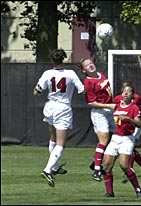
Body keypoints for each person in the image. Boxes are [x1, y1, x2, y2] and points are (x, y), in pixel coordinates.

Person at [34, 49, 85, 187]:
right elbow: (82, 90)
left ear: (52, 60)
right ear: (64, 59)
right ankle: (47, 169)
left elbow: (36, 92)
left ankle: (55, 167)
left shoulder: (47, 73)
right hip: (63, 109)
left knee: (53, 138)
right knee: (61, 143)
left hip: (49, 107)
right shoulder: (70, 73)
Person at [77, 57, 116, 182]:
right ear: (84, 70)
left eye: (91, 63)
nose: (90, 65)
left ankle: (95, 162)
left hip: (109, 111)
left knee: (112, 140)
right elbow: (91, 103)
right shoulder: (88, 82)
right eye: (87, 65)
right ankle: (97, 171)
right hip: (99, 113)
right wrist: (108, 105)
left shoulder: (101, 75)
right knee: (103, 141)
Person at [102, 84, 141, 198]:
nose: (125, 93)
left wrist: (128, 119)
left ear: (132, 95)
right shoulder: (116, 105)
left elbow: (139, 124)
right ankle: (110, 192)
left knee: (124, 165)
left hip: (126, 139)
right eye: (124, 91)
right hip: (115, 138)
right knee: (106, 166)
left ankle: (138, 189)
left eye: (129, 92)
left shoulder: (134, 107)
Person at [113, 81, 141, 177]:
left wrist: (137, 115)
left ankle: (130, 168)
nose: (125, 92)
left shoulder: (136, 98)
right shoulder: (117, 99)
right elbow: (114, 109)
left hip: (133, 126)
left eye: (128, 90)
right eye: (124, 90)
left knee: (131, 148)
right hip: (121, 127)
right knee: (131, 149)